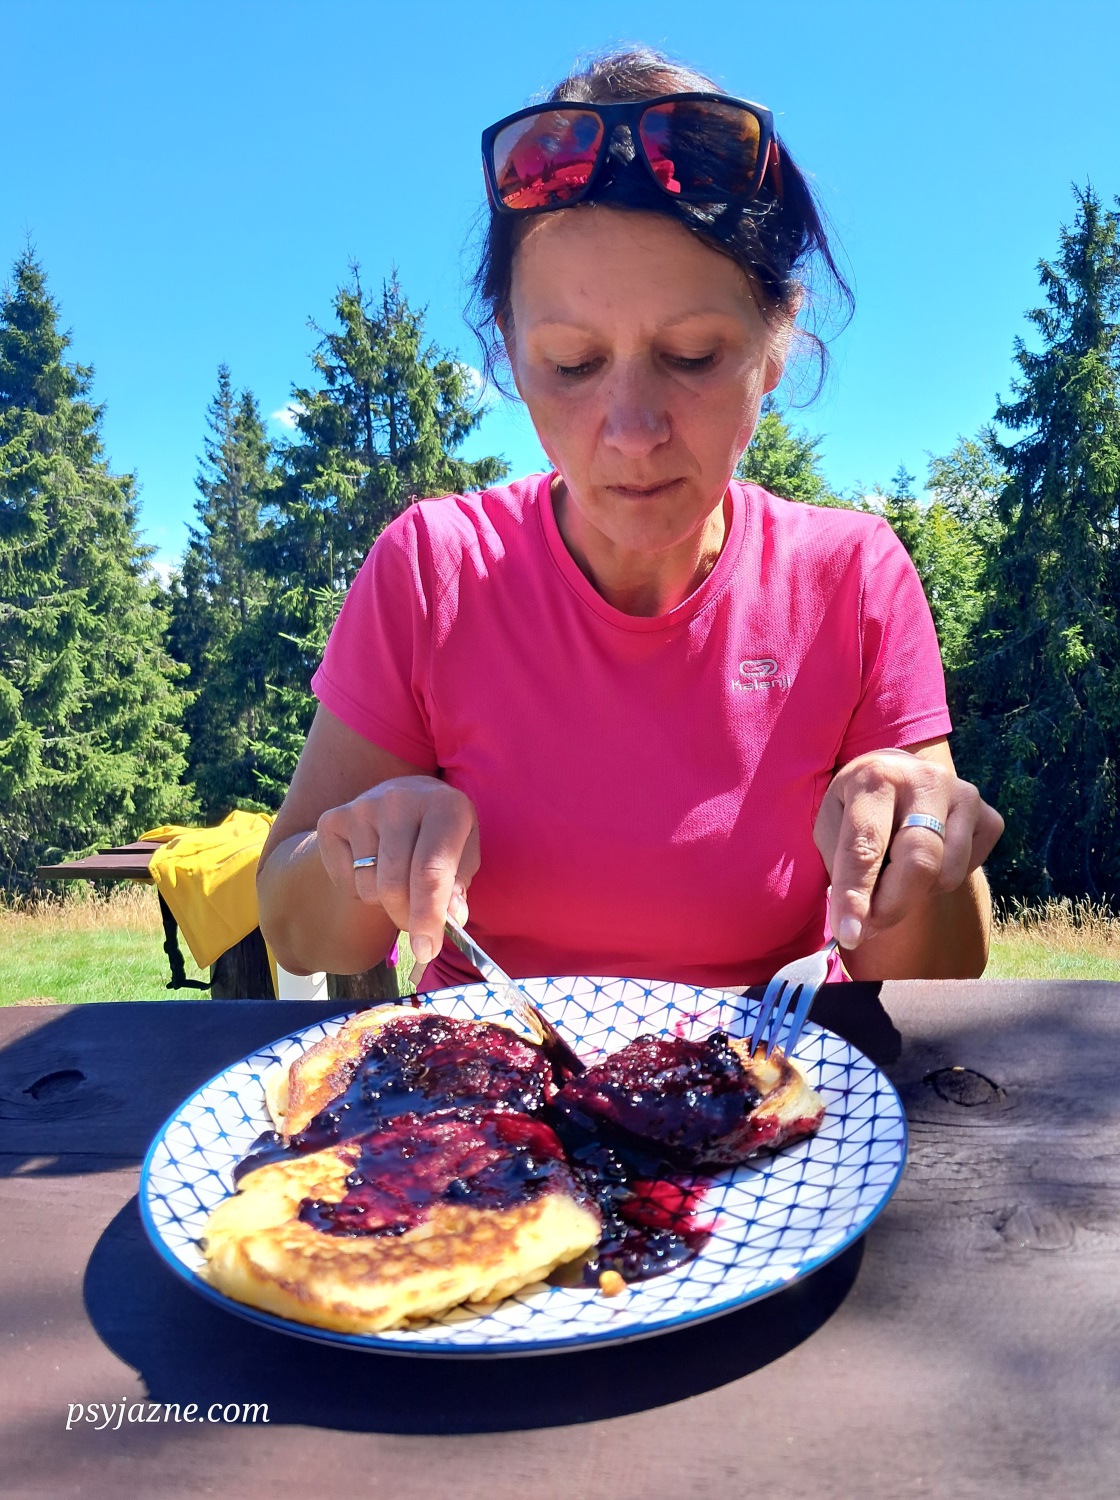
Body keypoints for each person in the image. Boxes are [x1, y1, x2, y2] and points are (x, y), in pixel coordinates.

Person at [258, 48, 1004, 996]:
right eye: (572, 365)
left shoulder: (850, 579)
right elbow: (297, 934)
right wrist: (363, 855)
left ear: (776, 344)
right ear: (511, 357)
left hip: (766, 1077)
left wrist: (920, 852)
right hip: (483, 1078)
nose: (633, 432)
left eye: (692, 355)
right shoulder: (433, 570)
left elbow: (943, 967)